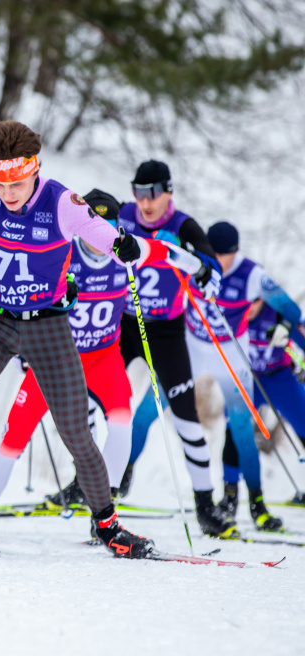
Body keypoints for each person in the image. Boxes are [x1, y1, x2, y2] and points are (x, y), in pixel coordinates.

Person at [0, 120, 160, 558]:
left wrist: (124, 245)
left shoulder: (60, 201)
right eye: (1, 183)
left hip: (47, 325)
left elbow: (100, 233)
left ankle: (108, 525)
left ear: (34, 169)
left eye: (17, 182)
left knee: (75, 432)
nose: (8, 192)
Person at [0, 190, 192, 526]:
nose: (100, 236)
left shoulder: (127, 251)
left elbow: (171, 254)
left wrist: (203, 268)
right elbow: (20, 295)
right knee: (14, 435)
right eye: (93, 225)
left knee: (122, 426)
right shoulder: (59, 252)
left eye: (108, 226)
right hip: (54, 359)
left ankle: (103, 514)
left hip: (103, 359)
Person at [126, 221, 302, 530]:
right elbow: (160, 251)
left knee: (241, 428)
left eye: (225, 255)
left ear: (236, 252)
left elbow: (290, 309)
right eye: (214, 253)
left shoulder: (252, 275)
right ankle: (119, 480)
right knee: (147, 411)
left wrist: (287, 327)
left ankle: (254, 504)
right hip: (192, 346)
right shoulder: (196, 261)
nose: (218, 260)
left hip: (231, 353)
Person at [116, 160, 238, 537]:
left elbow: (210, 269)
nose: (145, 201)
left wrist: (203, 273)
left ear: (168, 192)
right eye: (139, 192)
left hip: (166, 331)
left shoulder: (182, 225)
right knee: (103, 409)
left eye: (153, 192)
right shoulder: (122, 215)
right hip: (124, 325)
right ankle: (98, 502)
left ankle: (205, 506)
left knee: (186, 417)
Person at [234, 299, 305, 507]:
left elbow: (297, 326)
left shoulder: (276, 313)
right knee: (235, 428)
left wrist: (287, 330)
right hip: (251, 381)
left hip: (280, 378)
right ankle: (231, 496)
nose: (249, 308)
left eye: (254, 302)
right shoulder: (234, 314)